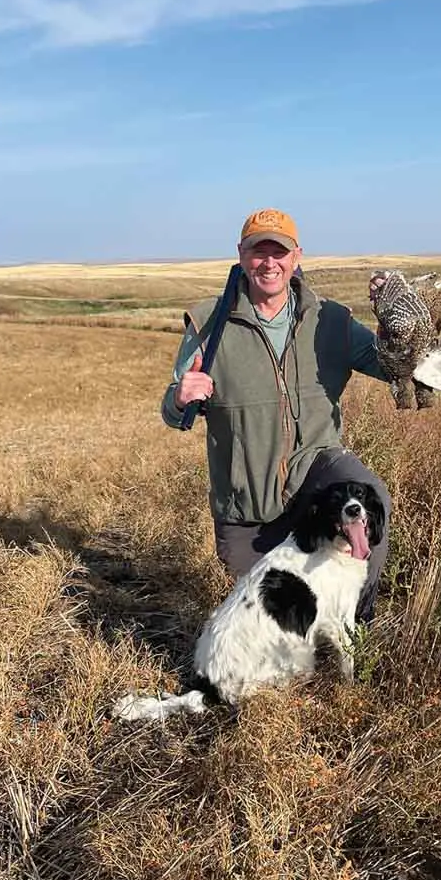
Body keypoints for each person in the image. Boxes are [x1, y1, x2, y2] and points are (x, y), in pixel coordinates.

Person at [163, 208, 391, 620]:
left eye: (279, 252)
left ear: (296, 256)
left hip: (317, 473)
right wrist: (180, 399)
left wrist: (401, 325)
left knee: (368, 492)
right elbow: (174, 412)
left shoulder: (329, 322)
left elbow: (395, 364)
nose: (269, 263)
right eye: (258, 251)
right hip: (247, 497)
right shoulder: (209, 325)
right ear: (241, 254)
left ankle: (355, 621)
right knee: (272, 615)